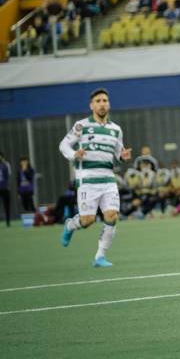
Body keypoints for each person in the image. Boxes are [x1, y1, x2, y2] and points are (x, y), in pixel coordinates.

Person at [59, 88, 132, 268]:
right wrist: (75, 153)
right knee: (87, 221)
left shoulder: (116, 130)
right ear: (92, 105)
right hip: (87, 180)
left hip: (108, 180)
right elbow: (64, 145)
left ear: (109, 104)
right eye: (98, 101)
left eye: (105, 100)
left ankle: (100, 257)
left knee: (112, 216)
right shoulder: (81, 126)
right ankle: (70, 225)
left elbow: (118, 153)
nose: (102, 104)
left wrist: (123, 156)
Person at [0, 152, 10, 227]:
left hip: (4, 187)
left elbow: (9, 175)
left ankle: (8, 221)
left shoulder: (6, 164)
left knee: (6, 205)